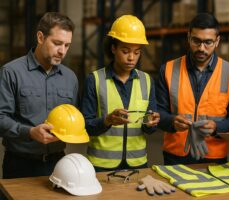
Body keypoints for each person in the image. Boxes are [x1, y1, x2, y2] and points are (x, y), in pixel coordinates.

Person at [156, 13, 229, 165]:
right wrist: (172, 122)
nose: (201, 48)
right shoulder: (168, 70)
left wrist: (217, 127)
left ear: (217, 41)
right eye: (196, 41)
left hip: (214, 157)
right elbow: (158, 113)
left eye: (208, 42)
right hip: (175, 156)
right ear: (188, 37)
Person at [0, 12, 78, 178]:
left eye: (67, 45)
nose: (62, 51)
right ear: (41, 37)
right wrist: (29, 132)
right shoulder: (11, 72)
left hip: (59, 164)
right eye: (57, 43)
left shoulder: (71, 78)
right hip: (20, 165)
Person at [81, 15, 160, 172]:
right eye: (125, 51)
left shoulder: (147, 81)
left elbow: (149, 128)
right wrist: (107, 120)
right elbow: (85, 126)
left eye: (137, 52)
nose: (131, 58)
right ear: (113, 48)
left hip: (137, 164)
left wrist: (151, 122)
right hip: (101, 166)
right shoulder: (95, 80)